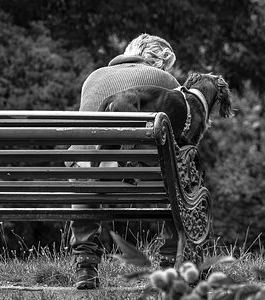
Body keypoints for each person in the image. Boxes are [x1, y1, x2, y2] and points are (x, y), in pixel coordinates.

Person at [67, 33, 180, 289]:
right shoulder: (165, 80)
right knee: (182, 173)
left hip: (87, 173)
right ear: (159, 62)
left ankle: (85, 266)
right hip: (131, 176)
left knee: (85, 163)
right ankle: (170, 261)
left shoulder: (93, 77)